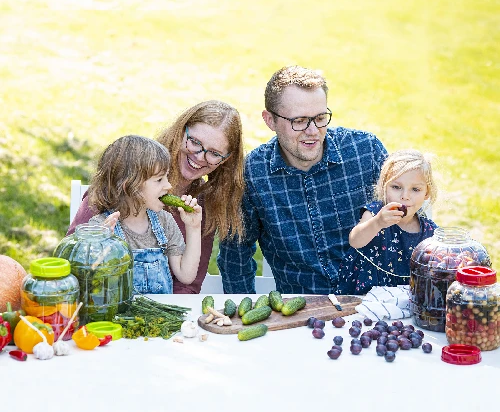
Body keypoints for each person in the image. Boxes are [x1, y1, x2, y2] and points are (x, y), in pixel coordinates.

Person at [217, 65, 388, 295]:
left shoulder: (365, 151)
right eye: (299, 121)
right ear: (270, 120)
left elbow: (410, 225)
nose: (313, 131)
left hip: (374, 303)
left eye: (320, 118)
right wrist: (243, 314)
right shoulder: (252, 173)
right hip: (300, 310)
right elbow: (235, 257)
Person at [68, 100, 245, 294]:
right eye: (195, 142)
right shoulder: (122, 185)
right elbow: (73, 265)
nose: (200, 157)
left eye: (213, 153)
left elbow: (188, 283)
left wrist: (161, 317)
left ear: (225, 159)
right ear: (180, 131)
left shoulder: (199, 207)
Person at [87, 135, 202, 294]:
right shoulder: (100, 227)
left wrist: (194, 227)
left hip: (162, 317)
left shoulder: (164, 222)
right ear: (130, 186)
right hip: (121, 317)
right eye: (159, 179)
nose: (168, 186)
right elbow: (93, 284)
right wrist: (105, 247)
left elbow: (186, 275)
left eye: (166, 177)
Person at [336, 149, 438, 295]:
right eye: (396, 187)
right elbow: (355, 240)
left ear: (427, 193)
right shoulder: (376, 213)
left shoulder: (429, 231)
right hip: (364, 296)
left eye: (415, 189)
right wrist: (378, 223)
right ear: (384, 186)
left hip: (402, 301)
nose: (405, 196)